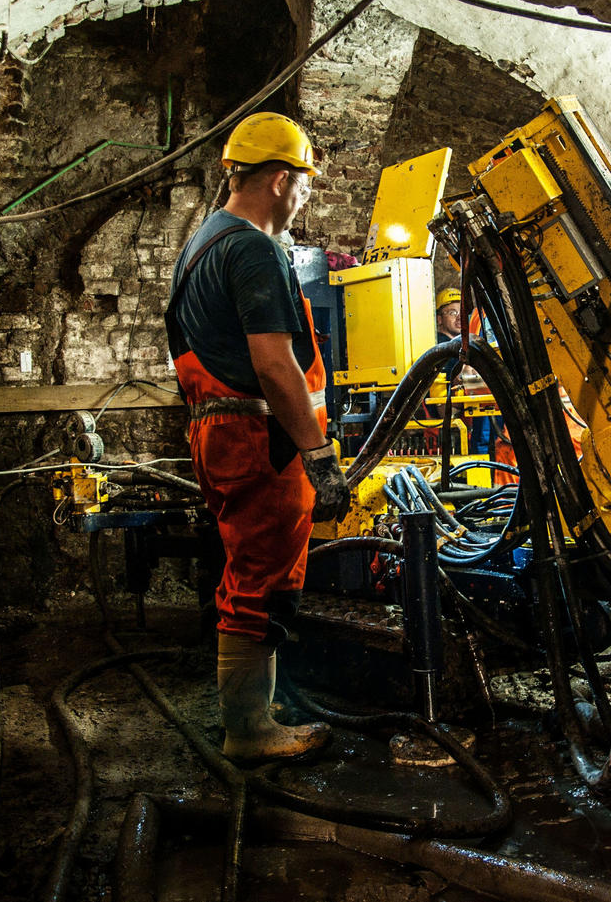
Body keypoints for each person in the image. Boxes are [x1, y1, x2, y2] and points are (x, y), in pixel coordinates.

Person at [165, 112, 351, 762]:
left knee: (248, 573)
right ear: (278, 179)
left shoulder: (203, 244)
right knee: (261, 583)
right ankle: (249, 730)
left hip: (222, 433)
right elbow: (274, 363)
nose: (306, 193)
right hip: (259, 438)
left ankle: (253, 717)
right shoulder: (251, 249)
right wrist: (320, 457)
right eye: (303, 180)